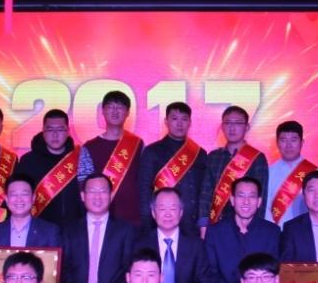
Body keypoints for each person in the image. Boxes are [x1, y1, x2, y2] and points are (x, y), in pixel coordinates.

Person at [59, 174, 134, 283]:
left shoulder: (126, 230)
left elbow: (130, 268)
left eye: (103, 191)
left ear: (111, 195)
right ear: (82, 196)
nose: (97, 196)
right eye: (92, 191)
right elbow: (63, 266)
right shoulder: (69, 230)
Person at [202, 177, 280, 283]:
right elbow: (210, 272)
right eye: (241, 196)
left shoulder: (272, 232)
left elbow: (275, 271)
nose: (246, 202)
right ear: (232, 200)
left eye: (252, 196)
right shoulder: (215, 232)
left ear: (259, 202)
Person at [134, 187, 210, 283]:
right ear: (153, 213)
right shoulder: (140, 245)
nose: (168, 214)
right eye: (162, 209)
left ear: (181, 212)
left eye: (173, 209)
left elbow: (204, 281)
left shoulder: (195, 245)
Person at [77, 90, 144, 226]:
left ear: (127, 112)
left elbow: (143, 182)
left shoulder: (138, 144)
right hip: (100, 219)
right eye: (110, 107)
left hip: (133, 217)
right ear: (103, 111)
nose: (115, 111)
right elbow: (83, 184)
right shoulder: (89, 147)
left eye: (120, 107)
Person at [138, 101, 206, 233]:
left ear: (190, 122)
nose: (179, 124)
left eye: (184, 119)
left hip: (192, 225)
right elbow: (144, 190)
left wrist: (203, 222)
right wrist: (147, 224)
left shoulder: (199, 153)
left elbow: (203, 191)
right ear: (166, 121)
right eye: (174, 118)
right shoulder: (152, 151)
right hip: (160, 224)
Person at [199, 105, 269, 232]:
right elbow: (205, 193)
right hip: (216, 225)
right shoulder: (213, 157)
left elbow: (261, 197)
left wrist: (256, 229)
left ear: (247, 127)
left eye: (238, 123)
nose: (232, 128)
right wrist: (203, 225)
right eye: (228, 123)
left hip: (246, 227)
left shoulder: (257, 158)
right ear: (222, 127)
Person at [18, 109, 84, 225]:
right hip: (39, 228)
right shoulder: (27, 161)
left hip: (74, 228)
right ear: (43, 131)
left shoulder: (80, 158)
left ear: (68, 132)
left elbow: (87, 193)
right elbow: (20, 196)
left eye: (60, 129)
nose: (55, 135)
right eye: (50, 130)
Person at [0, 174, 62, 248]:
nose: (19, 199)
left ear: (33, 198)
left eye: (24, 194)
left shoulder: (50, 231)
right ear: (6, 199)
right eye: (14, 194)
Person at [265, 120, 315, 225]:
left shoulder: (315, 172)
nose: (288, 145)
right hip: (277, 230)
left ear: (302, 142)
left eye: (293, 140)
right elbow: (266, 207)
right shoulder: (268, 172)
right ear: (277, 143)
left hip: (306, 231)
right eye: (283, 140)